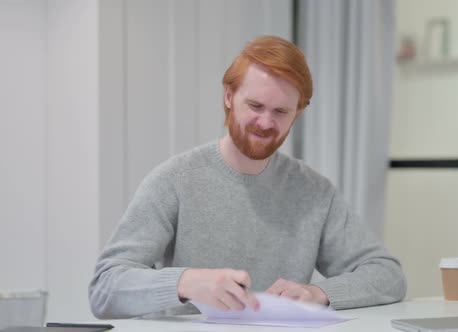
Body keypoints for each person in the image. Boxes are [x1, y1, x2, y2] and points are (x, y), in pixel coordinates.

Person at [88, 35, 406, 319]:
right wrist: (186, 282)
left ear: (298, 112)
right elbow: (105, 288)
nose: (265, 122)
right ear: (229, 97)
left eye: (281, 112)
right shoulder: (175, 180)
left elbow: (387, 275)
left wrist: (318, 294)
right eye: (254, 105)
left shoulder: (314, 191)